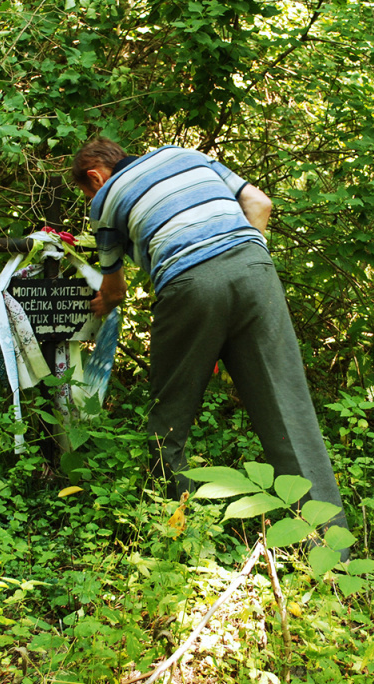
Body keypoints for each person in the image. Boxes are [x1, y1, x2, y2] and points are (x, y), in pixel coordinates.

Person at [70, 138, 349, 533]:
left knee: (169, 419)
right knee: (289, 410)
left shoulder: (106, 199)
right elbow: (260, 204)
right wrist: (245, 262)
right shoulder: (183, 154)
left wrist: (99, 306)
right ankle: (330, 546)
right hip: (256, 271)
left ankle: (177, 532)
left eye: (87, 192)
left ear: (95, 177)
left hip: (189, 285)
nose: (91, 199)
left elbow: (115, 289)